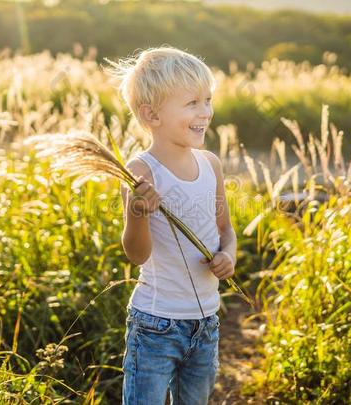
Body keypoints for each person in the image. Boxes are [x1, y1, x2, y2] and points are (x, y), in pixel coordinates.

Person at [104, 46, 237, 404]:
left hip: (206, 320)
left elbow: (225, 228)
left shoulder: (210, 164)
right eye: (192, 103)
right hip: (156, 324)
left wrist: (229, 255)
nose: (205, 112)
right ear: (152, 114)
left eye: (207, 100)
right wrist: (138, 213)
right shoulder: (142, 172)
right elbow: (136, 254)